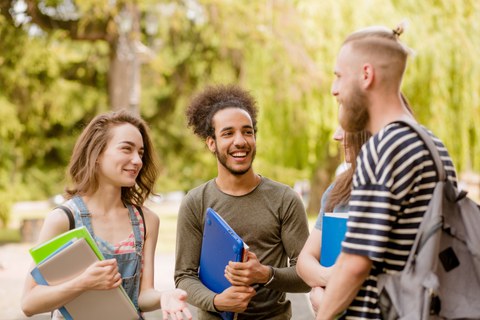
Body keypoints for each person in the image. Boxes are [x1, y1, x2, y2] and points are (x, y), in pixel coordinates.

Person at [312, 24, 458, 319]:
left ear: (366, 75)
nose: (334, 89)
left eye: (339, 75)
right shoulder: (431, 144)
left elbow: (356, 262)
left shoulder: (383, 148)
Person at [21, 110, 192, 320]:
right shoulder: (64, 219)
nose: (137, 160)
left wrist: (164, 297)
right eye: (126, 149)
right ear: (97, 155)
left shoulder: (146, 221)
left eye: (140, 152)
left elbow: (142, 295)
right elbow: (29, 302)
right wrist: (84, 282)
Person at [174, 84, 310, 319]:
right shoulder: (195, 202)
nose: (240, 141)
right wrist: (217, 301)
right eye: (228, 133)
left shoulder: (285, 199)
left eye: (247, 132)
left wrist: (265, 274)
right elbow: (184, 277)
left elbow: (307, 276)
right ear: (211, 143)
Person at [296, 127, 370, 313]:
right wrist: (329, 278)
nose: (337, 136)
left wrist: (330, 303)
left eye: (346, 126)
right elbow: (304, 261)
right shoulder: (338, 190)